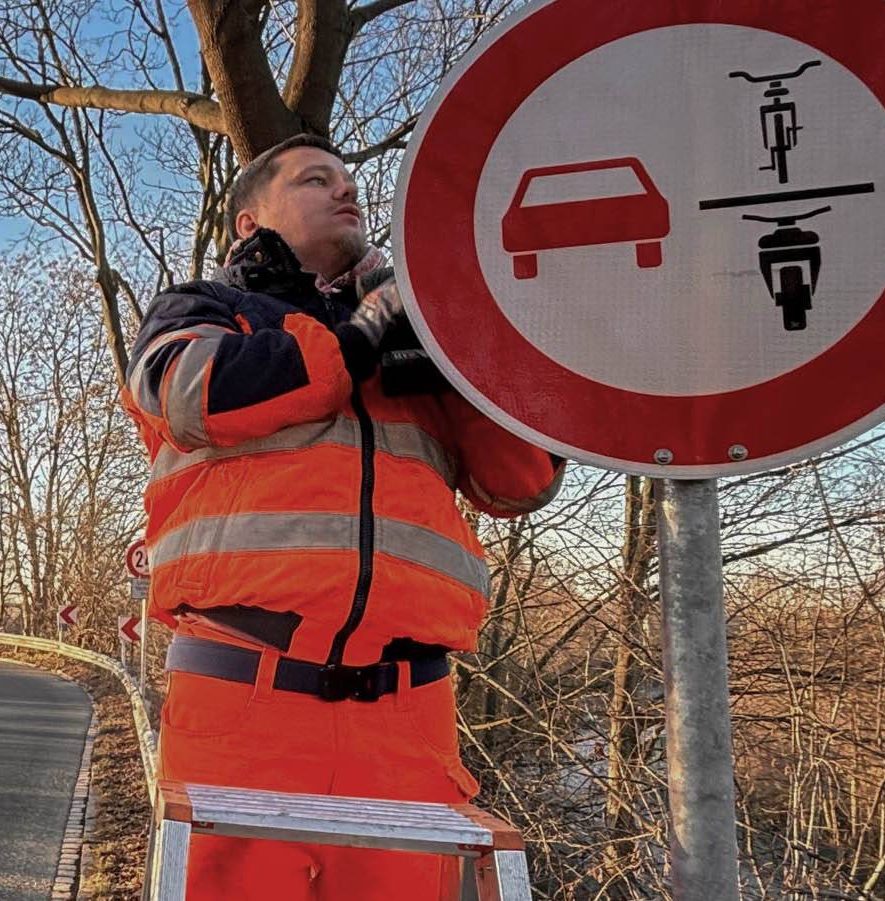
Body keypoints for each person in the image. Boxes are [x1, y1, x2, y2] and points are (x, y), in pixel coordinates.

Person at [123, 133, 564, 899]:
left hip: (409, 717)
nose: (346, 189)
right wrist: (357, 340)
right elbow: (189, 392)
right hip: (243, 699)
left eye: (350, 180)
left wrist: (465, 350)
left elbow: (522, 479)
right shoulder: (204, 309)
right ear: (249, 220)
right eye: (314, 179)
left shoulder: (424, 339)